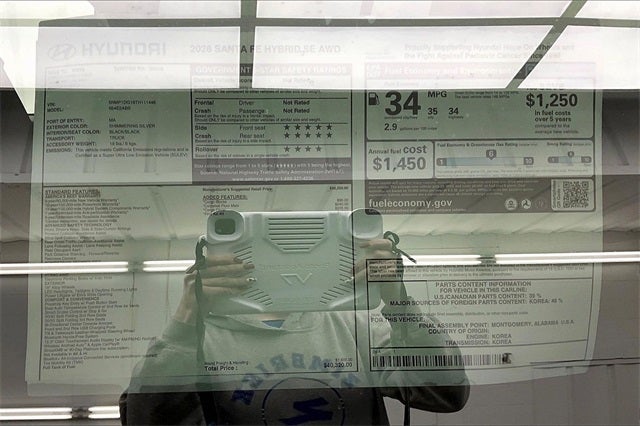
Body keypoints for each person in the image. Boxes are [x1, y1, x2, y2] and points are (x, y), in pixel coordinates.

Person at [119, 239, 470, 425]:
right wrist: (185, 319)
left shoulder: (357, 326)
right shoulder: (196, 343)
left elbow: (445, 394)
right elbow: (146, 421)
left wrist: (398, 302)